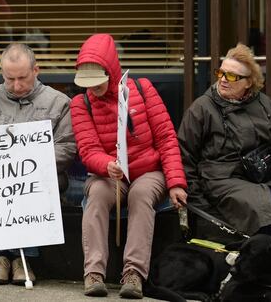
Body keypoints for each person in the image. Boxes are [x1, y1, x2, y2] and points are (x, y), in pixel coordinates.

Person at [178, 43, 271, 287]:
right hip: (223, 178)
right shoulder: (202, 108)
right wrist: (196, 200)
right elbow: (185, 156)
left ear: (248, 82)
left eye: (232, 76)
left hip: (266, 175)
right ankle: (264, 279)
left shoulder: (263, 104)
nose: (223, 80)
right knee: (266, 208)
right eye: (221, 73)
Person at [69, 33, 186, 299]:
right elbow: (88, 150)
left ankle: (133, 273)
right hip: (109, 172)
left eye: (99, 82)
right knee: (97, 194)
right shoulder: (81, 104)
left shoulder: (143, 89)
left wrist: (177, 183)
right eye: (89, 84)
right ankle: (93, 272)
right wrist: (106, 164)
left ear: (111, 70)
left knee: (141, 194)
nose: (94, 89)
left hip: (147, 170)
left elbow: (167, 138)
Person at [0, 43, 76, 286]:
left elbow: (67, 148)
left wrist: (28, 162)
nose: (16, 85)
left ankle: (22, 259)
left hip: (44, 176)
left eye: (22, 78)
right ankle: (4, 257)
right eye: (9, 78)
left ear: (36, 70)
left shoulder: (59, 102)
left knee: (26, 183)